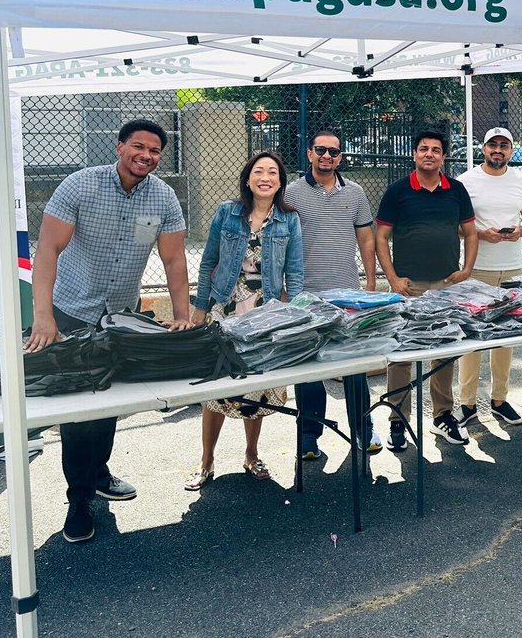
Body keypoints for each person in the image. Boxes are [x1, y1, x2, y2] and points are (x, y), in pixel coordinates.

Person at [29, 119, 190, 544]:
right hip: (73, 313)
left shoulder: (164, 196)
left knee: (109, 403)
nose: (147, 156)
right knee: (80, 411)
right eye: (138, 146)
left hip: (122, 314)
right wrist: (43, 316)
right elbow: (48, 249)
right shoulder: (80, 185)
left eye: (155, 151)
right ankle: (78, 499)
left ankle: (98, 474)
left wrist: (181, 315)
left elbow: (174, 261)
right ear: (119, 147)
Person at [184, 150, 304, 491]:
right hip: (226, 307)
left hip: (266, 313)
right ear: (248, 178)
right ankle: (206, 461)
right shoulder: (227, 212)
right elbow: (208, 262)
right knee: (217, 388)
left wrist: (293, 314)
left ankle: (252, 454)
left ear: (280, 182)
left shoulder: (289, 219)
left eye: (272, 173)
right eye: (259, 172)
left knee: (258, 388)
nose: (265, 178)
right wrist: (199, 306)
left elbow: (294, 270)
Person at [376, 130, 478, 450]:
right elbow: (381, 238)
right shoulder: (398, 192)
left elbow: (471, 233)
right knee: (402, 354)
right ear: (414, 155)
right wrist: (392, 279)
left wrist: (466, 271)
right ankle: (397, 420)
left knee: (444, 351)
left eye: (436, 150)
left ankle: (443, 415)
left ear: (444, 157)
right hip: (409, 286)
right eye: (423, 149)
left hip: (446, 285)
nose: (429, 154)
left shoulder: (456, 190)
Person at [284, 129, 382, 460]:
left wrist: (370, 281)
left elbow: (367, 238)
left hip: (347, 294)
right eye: (321, 150)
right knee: (308, 368)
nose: (327, 156)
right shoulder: (291, 194)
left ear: (341, 157)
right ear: (309, 153)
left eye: (334, 152)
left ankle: (363, 428)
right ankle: (309, 435)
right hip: (305, 296)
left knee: (354, 365)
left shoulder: (354, 192)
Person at [455, 126, 522, 427]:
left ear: (511, 151)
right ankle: (466, 404)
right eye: (493, 145)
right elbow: (456, 225)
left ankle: (499, 399)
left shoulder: (521, 180)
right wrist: (481, 235)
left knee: (507, 336)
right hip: (477, 269)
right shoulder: (466, 181)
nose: (498, 150)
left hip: (513, 268)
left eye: (504, 145)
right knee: (473, 335)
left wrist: (519, 231)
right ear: (483, 148)